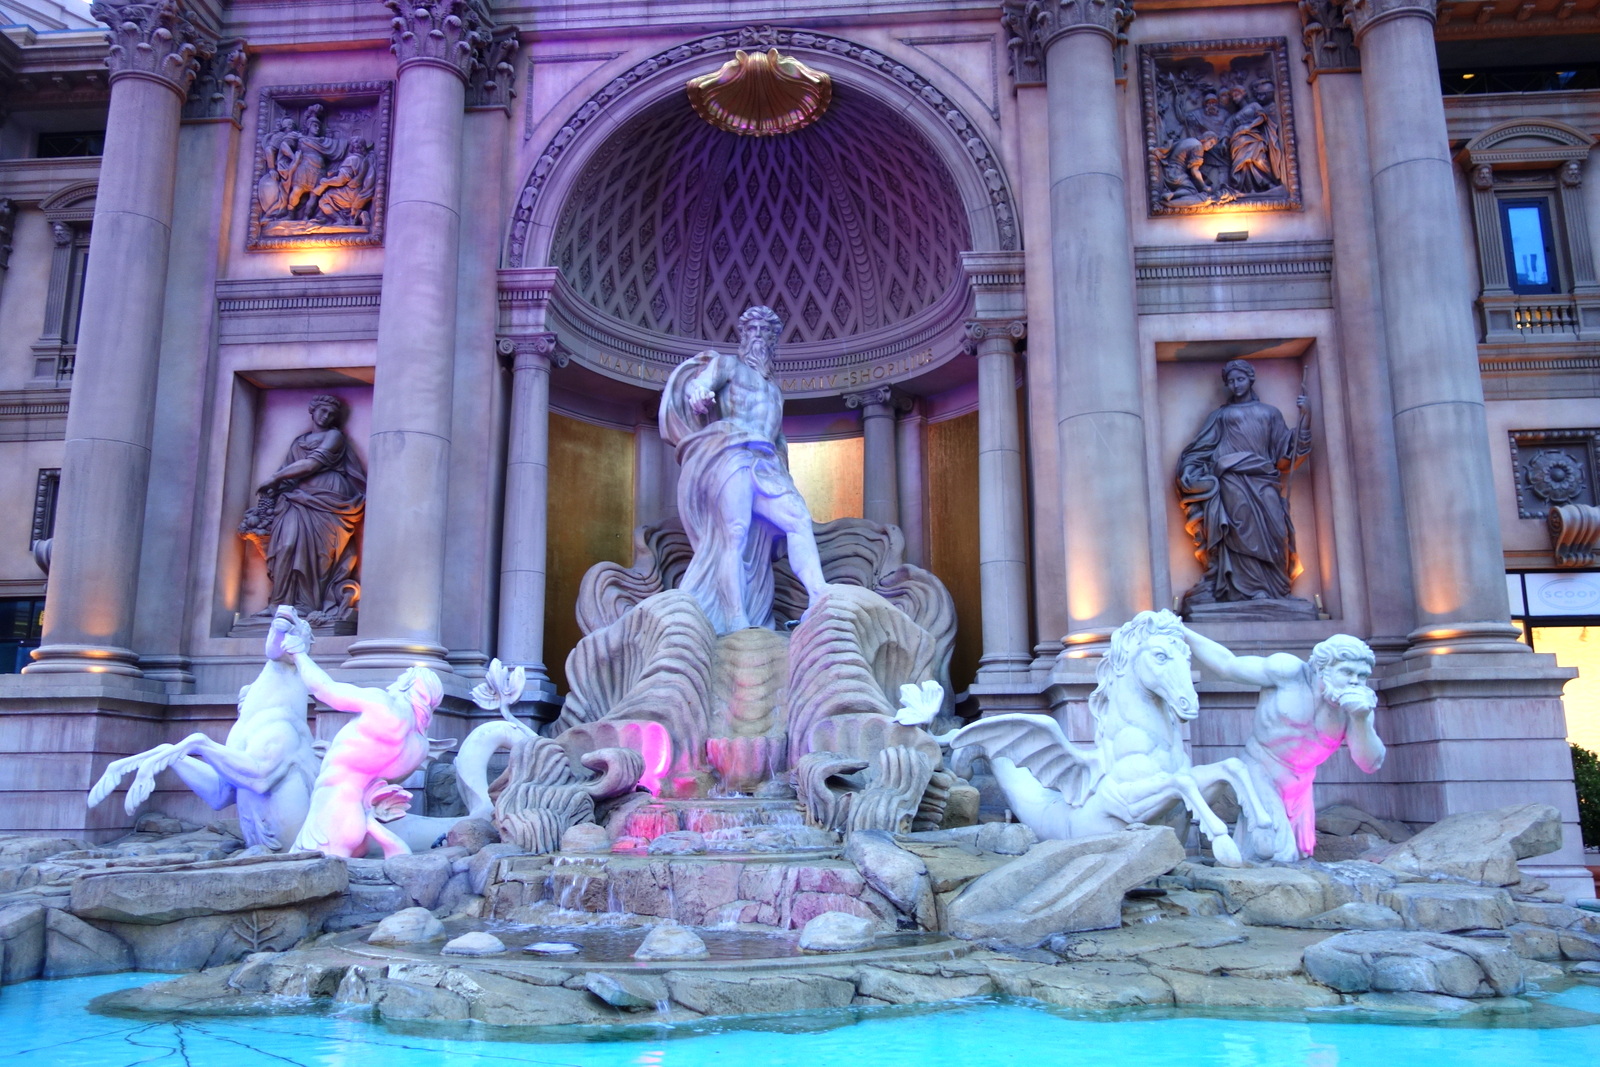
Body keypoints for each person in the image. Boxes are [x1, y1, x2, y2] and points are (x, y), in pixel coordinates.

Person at [659, 305, 827, 633]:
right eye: (753, 330)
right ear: (744, 336)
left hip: (767, 462)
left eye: (766, 331)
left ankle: (819, 594)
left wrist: (785, 472)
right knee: (734, 534)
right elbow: (699, 385)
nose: (759, 336)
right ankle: (736, 618)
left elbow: (778, 439)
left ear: (774, 340)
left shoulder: (775, 392)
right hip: (731, 452)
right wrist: (699, 393)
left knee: (798, 520)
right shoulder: (728, 366)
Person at [1180, 626, 1385, 862]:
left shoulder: (1358, 709)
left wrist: (1360, 720)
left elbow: (1370, 763)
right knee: (1279, 854)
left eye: (1362, 675)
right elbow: (1227, 665)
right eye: (1347, 672)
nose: (1355, 682)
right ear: (1322, 668)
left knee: (1300, 856)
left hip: (1301, 783)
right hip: (1260, 768)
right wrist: (1184, 632)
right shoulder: (1288, 673)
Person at [282, 630, 442, 858]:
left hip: (333, 808)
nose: (393, 684)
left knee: (304, 875)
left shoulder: (382, 704)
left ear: (406, 684)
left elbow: (324, 689)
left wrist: (299, 654)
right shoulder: (420, 746)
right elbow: (381, 781)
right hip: (359, 815)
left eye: (399, 679)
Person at [1176, 359, 1310, 608]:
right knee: (1240, 530)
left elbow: (1286, 453)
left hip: (1264, 479)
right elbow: (1200, 449)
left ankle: (1274, 588)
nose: (1236, 385)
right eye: (1231, 381)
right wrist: (1191, 471)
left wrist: (1305, 419)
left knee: (1276, 530)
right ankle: (1244, 591)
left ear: (1250, 379)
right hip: (1232, 479)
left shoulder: (1270, 413)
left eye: (1240, 379)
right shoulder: (1221, 416)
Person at [245, 394, 366, 627]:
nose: (326, 416)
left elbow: (312, 464)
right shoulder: (299, 442)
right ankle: (278, 604)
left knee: (319, 556)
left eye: (331, 414)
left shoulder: (334, 436)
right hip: (295, 499)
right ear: (313, 410)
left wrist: (275, 478)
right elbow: (290, 470)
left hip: (329, 501)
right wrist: (275, 489)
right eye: (323, 411)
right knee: (286, 546)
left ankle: (308, 606)